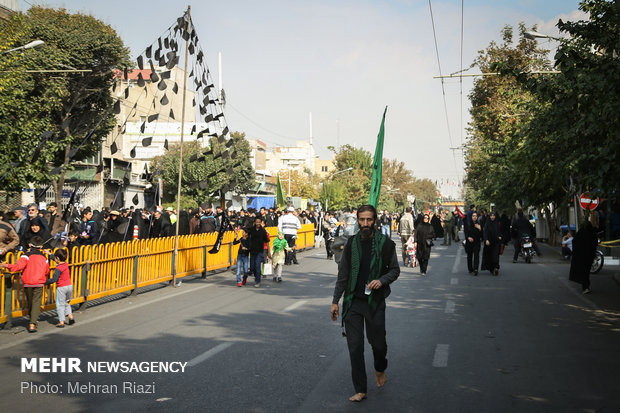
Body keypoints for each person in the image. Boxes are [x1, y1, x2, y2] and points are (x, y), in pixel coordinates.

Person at [330, 204, 400, 403]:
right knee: (355, 346)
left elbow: (394, 270)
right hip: (353, 301)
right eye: (362, 220)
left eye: (369, 220)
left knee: (378, 345)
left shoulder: (386, 244)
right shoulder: (351, 244)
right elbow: (343, 274)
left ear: (375, 220)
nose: (365, 223)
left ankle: (380, 368)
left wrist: (382, 280)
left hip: (374, 302)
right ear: (358, 220)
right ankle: (361, 389)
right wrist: (335, 301)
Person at [0, 236, 50, 333]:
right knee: (36, 302)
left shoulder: (25, 256)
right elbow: (46, 271)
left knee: (31, 302)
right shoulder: (44, 258)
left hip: (28, 282)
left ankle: (32, 321)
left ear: (30, 245)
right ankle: (33, 322)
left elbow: (18, 267)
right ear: (41, 246)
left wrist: (6, 265)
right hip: (39, 282)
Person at [45, 249, 75, 328]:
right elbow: (57, 258)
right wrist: (49, 254)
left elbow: (54, 279)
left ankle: (61, 321)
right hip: (69, 286)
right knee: (67, 302)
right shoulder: (66, 264)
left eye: (55, 258)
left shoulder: (58, 268)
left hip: (61, 287)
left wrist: (45, 281)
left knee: (60, 305)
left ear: (57, 258)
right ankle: (70, 317)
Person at [569, 221, 598, 294]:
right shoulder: (592, 233)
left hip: (581, 257)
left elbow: (575, 242)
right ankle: (586, 286)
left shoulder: (581, 233)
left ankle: (585, 287)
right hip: (589, 256)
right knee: (586, 272)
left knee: (583, 272)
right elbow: (595, 243)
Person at [247, 216, 270, 287]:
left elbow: (267, 241)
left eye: (259, 222)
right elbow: (245, 233)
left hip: (260, 251)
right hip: (252, 250)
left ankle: (257, 281)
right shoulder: (251, 229)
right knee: (252, 267)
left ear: (261, 223)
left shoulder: (263, 231)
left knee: (257, 266)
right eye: (257, 222)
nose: (258, 223)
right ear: (254, 222)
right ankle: (256, 276)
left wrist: (268, 252)